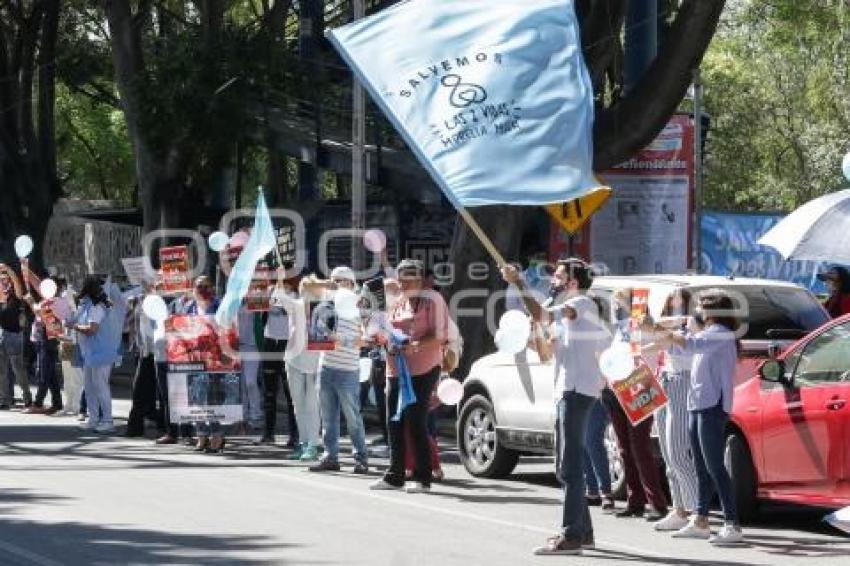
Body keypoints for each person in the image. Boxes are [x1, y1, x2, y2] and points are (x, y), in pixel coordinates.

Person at [503, 257, 608, 556]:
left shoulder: (583, 304)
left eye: (559, 277)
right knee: (569, 465)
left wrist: (519, 284)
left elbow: (541, 312)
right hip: (568, 391)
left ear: (573, 283)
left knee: (568, 467)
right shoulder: (567, 317)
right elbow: (548, 351)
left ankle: (571, 536)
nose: (553, 281)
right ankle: (584, 533)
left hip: (576, 393)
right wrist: (531, 337)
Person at [651, 290, 744, 545]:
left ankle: (732, 524)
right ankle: (701, 520)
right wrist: (663, 332)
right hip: (697, 403)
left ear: (714, 311)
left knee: (715, 467)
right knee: (701, 467)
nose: (698, 312)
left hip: (712, 406)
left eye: (702, 307)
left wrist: (663, 329)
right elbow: (682, 351)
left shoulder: (720, 334)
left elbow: (692, 344)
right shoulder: (707, 334)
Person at [370, 259, 451, 494]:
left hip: (424, 369)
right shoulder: (396, 302)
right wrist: (377, 338)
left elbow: (440, 336)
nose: (405, 284)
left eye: (410, 279)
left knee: (416, 421)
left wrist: (414, 345)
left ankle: (422, 476)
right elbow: (386, 331)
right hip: (395, 369)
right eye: (401, 279)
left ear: (421, 279)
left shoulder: (433, 300)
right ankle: (395, 474)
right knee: (393, 422)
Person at [604, 288, 669, 522]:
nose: (616, 307)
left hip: (640, 385)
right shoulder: (621, 327)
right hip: (617, 387)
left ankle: (656, 502)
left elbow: (654, 341)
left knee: (640, 446)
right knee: (624, 448)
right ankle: (636, 499)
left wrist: (639, 313)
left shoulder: (644, 325)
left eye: (620, 302)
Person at [305, 266, 369, 474]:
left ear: (351, 283)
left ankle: (361, 458)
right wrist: (326, 284)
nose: (337, 284)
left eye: (340, 280)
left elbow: (365, 340)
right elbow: (305, 285)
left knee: (353, 418)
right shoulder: (327, 301)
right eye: (334, 280)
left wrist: (339, 340)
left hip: (348, 369)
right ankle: (330, 456)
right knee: (328, 417)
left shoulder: (360, 305)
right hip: (326, 367)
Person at [651, 290, 700, 532]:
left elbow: (677, 342)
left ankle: (697, 512)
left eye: (680, 304)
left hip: (682, 381)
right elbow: (653, 338)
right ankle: (679, 508)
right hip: (665, 380)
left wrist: (671, 324)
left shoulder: (692, 326)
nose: (676, 308)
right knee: (668, 455)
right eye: (672, 305)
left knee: (679, 451)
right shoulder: (669, 325)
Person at [273, 272, 322, 461]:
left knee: (312, 404)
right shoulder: (297, 305)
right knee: (298, 405)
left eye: (308, 287)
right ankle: (303, 443)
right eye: (303, 287)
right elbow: (280, 297)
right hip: (293, 360)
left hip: (315, 362)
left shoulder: (324, 308)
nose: (304, 290)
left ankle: (313, 445)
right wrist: (279, 278)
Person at [257, 270, 299, 447]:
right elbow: (259, 311)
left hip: (287, 346)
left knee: (291, 394)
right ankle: (268, 434)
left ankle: (295, 435)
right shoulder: (270, 291)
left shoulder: (297, 296)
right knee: (269, 392)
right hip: (270, 344)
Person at [21, 272, 71, 415]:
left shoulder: (53, 302)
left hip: (48, 340)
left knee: (43, 373)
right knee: (50, 374)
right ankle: (57, 403)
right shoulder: (56, 300)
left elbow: (40, 312)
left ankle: (38, 403)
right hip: (47, 339)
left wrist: (31, 301)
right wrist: (26, 270)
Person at [70, 276, 116, 434]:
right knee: (89, 387)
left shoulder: (96, 307)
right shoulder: (88, 305)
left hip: (100, 353)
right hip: (91, 353)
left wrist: (75, 326)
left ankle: (108, 420)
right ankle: (93, 419)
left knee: (101, 387)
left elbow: (92, 330)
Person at [126, 282, 164, 437]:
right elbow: (134, 322)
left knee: (162, 392)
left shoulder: (166, 303)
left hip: (161, 351)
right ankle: (135, 428)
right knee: (139, 389)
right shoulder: (142, 301)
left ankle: (164, 428)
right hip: (146, 352)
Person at [0, 264, 30, 409]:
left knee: (18, 370)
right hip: (3, 335)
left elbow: (17, 282)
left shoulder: (16, 296)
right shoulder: (2, 298)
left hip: (15, 336)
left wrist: (8, 269)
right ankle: (5, 399)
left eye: (6, 280)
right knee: (2, 370)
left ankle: (27, 397)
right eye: (1, 281)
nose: (3, 283)